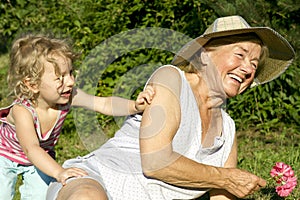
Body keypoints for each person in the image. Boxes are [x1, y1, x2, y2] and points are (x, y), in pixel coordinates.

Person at [46, 15, 295, 200]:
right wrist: (228, 177)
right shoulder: (171, 79)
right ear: (204, 55)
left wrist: (236, 183)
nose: (249, 69)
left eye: (254, 64)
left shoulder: (227, 130)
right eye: (240, 55)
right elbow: (156, 161)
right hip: (96, 181)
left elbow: (223, 193)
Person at [0, 33, 155, 200]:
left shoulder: (67, 97)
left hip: (41, 157)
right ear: (32, 84)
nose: (71, 82)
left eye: (70, 73)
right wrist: (59, 171)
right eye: (60, 78)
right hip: (5, 156)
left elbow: (102, 104)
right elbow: (31, 149)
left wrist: (134, 106)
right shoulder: (22, 111)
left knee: (40, 195)